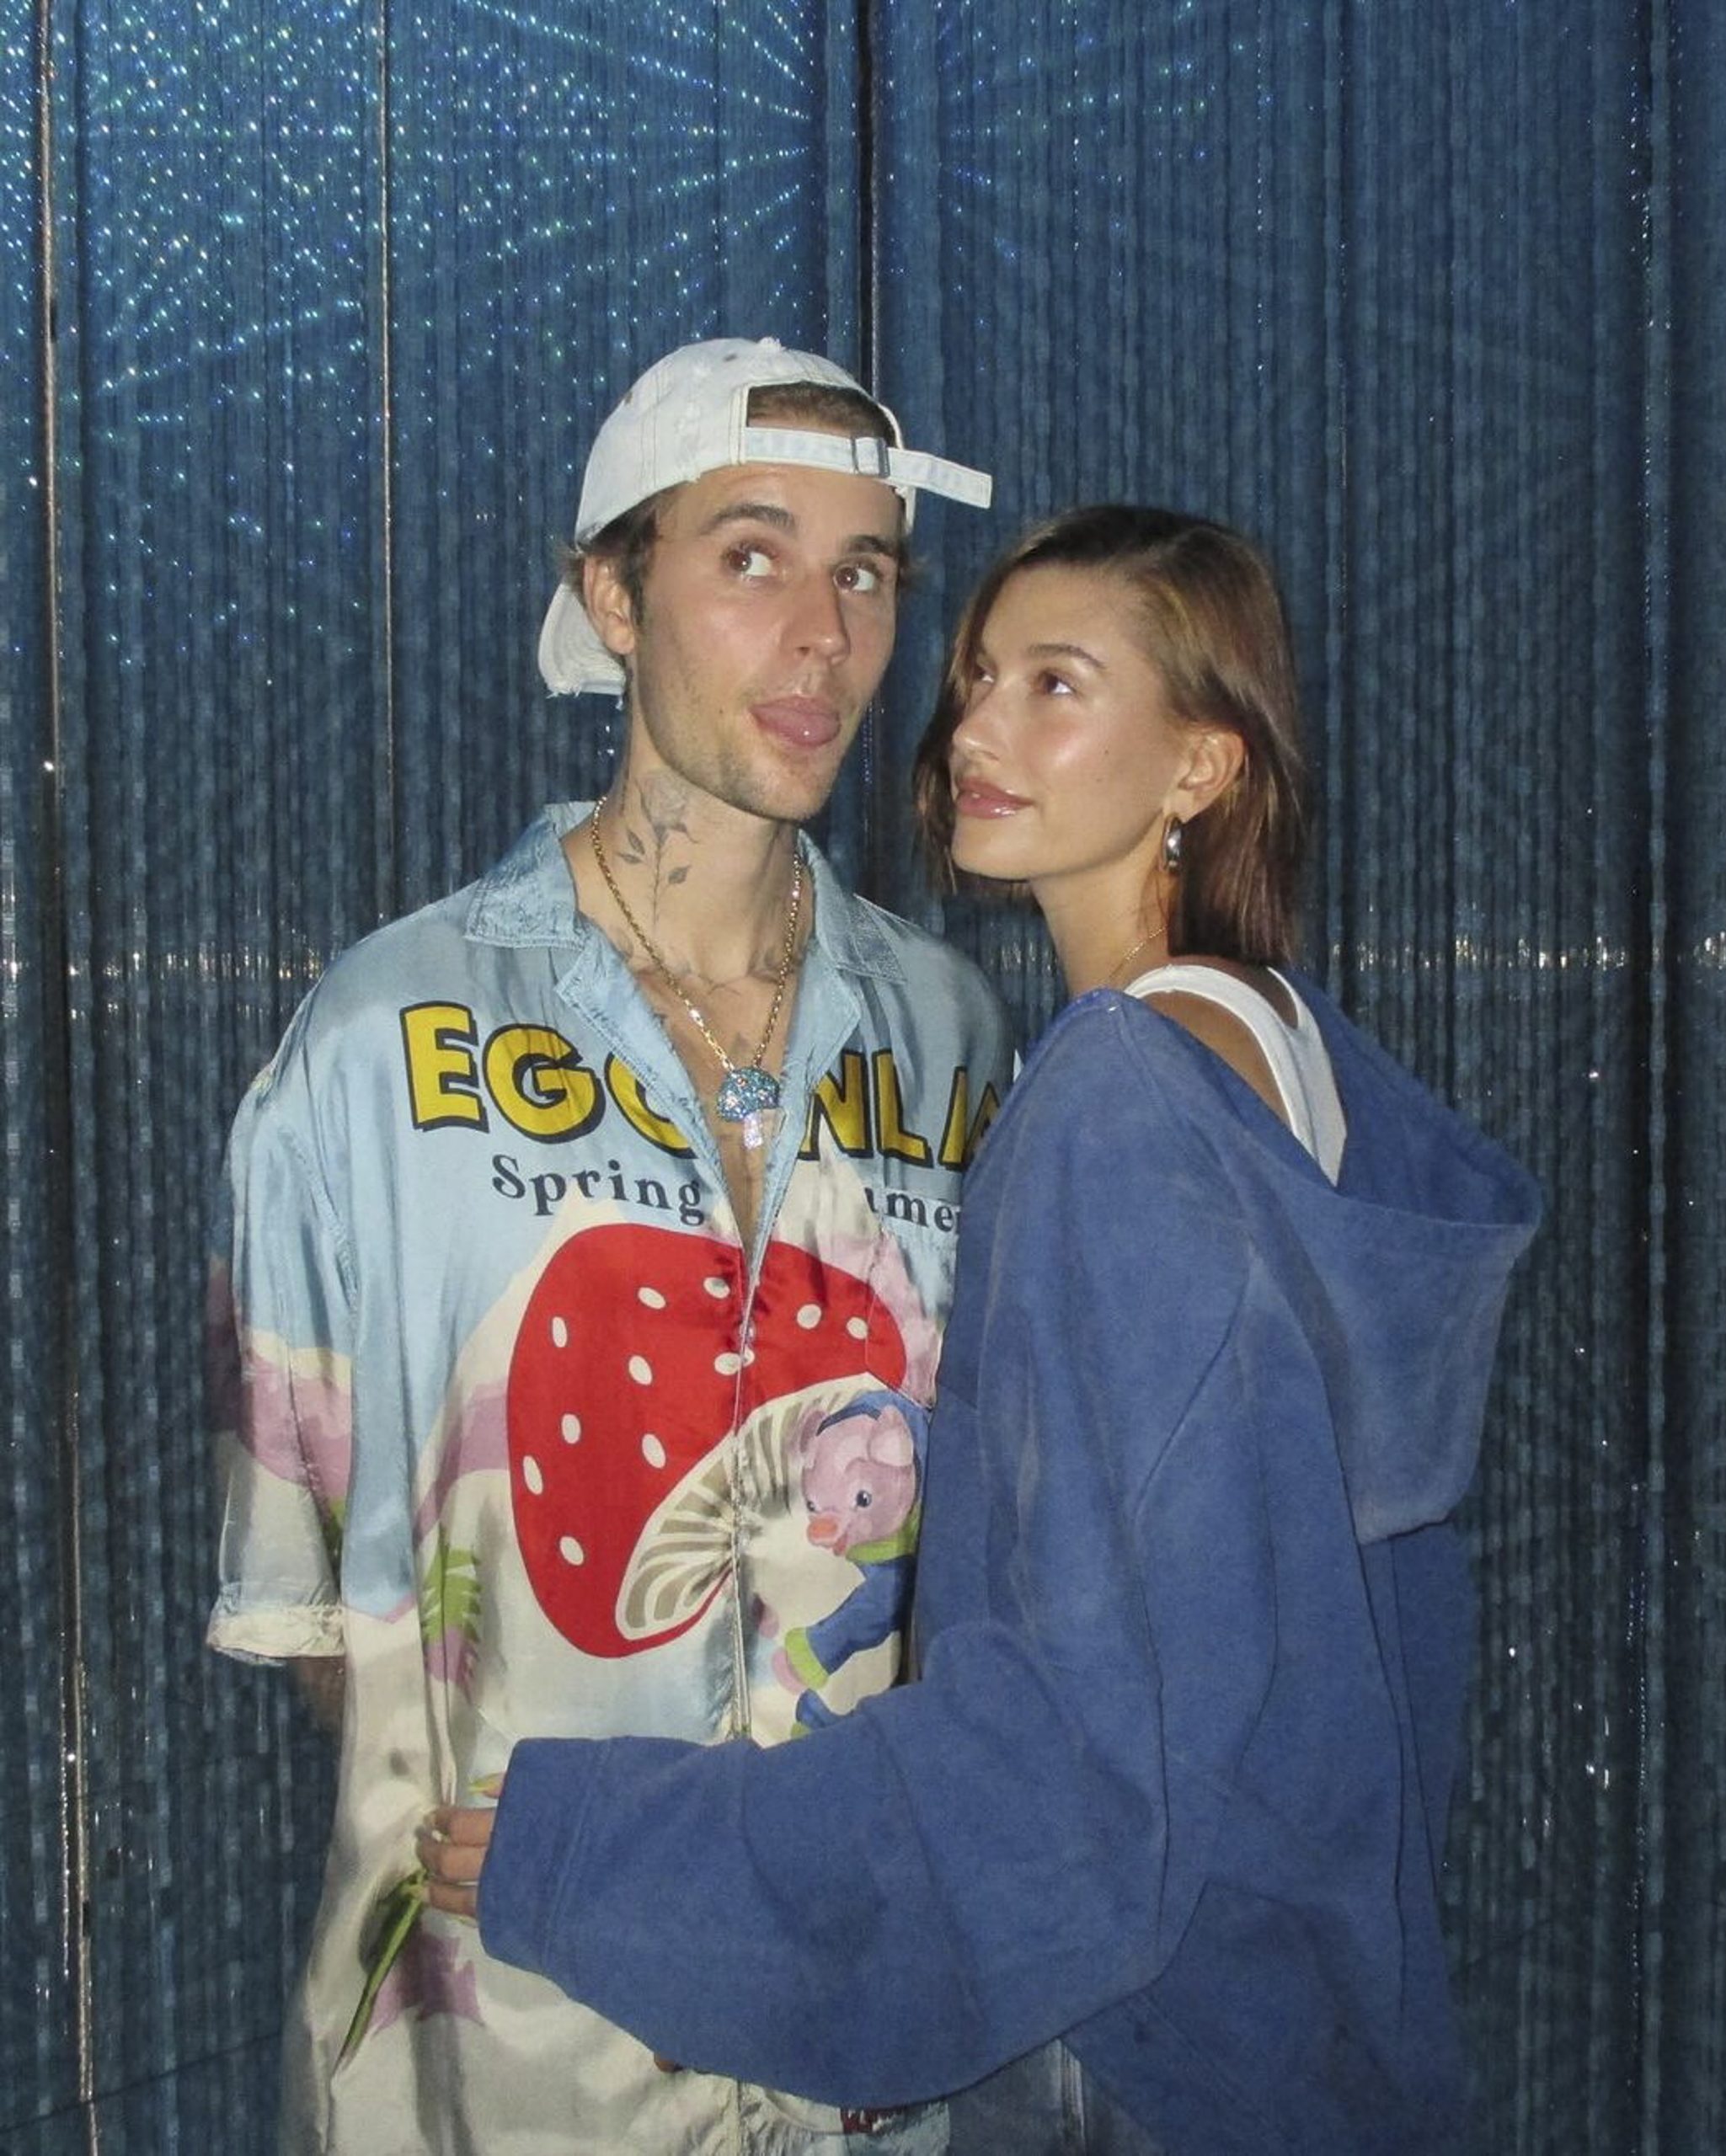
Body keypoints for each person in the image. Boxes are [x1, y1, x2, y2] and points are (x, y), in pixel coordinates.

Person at [419, 505, 1543, 2153]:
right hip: (1293, 2006)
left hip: (1130, 2046)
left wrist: (606, 1852)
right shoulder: (1287, 1056)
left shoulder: (1119, 1101)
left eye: (1057, 685)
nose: (976, 733)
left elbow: (1078, 1754)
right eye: (978, 679)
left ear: (1200, 766)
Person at [206, 335, 1013, 2155]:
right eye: (750, 556)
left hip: (859, 2049)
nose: (821, 637)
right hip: (501, 2064)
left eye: (865, 572)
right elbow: (322, 1610)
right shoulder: (381, 1043)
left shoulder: (953, 1037)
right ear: (613, 597)